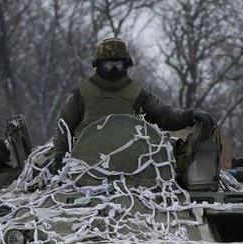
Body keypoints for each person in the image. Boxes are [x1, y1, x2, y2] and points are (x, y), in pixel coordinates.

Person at [52, 37, 216, 170]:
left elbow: (165, 115)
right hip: (85, 164)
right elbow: (63, 125)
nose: (114, 69)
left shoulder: (136, 93)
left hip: (131, 166)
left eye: (118, 64)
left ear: (126, 65)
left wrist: (190, 115)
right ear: (98, 65)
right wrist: (59, 155)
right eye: (109, 65)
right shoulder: (82, 93)